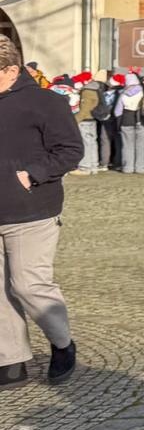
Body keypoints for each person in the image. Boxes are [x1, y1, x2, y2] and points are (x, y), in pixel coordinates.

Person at [0, 36, 82, 386]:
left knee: (28, 284)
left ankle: (62, 344)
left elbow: (70, 150)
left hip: (31, 209)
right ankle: (11, 359)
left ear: (11, 69)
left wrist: (31, 174)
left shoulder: (46, 102)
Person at [115, 73, 144, 174]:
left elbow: (117, 112)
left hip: (126, 121)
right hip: (142, 121)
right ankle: (140, 168)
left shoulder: (123, 94)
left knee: (127, 145)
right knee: (141, 146)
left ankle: (128, 167)